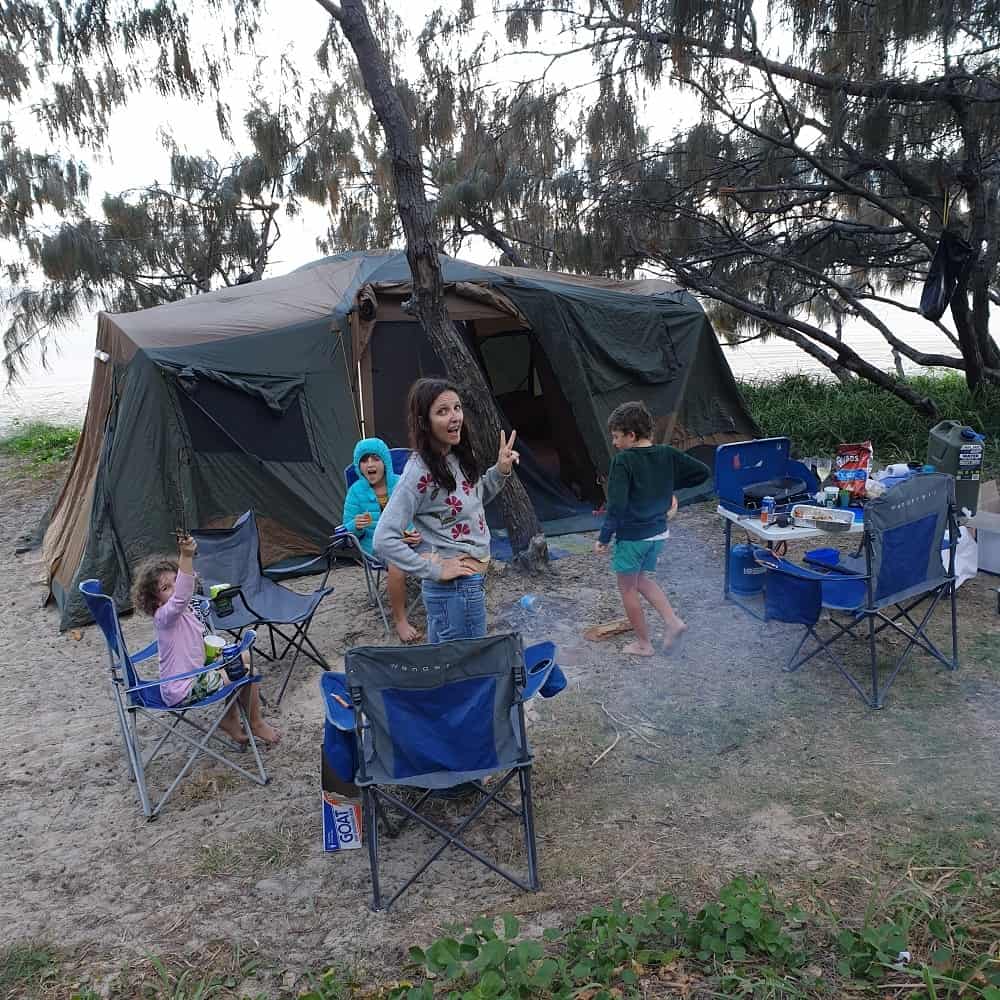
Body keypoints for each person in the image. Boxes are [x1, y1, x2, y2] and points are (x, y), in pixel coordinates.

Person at [373, 377, 520, 643]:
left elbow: (474, 500)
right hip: (454, 590)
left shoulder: (457, 455)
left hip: (469, 584)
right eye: (442, 411)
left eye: (457, 408)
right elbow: (383, 538)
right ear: (423, 422)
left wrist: (500, 471)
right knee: (466, 669)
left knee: (450, 668)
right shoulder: (418, 472)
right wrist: (434, 570)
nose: (455, 417)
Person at [131, 534, 280, 745]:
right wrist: (186, 555)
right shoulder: (165, 617)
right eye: (166, 589)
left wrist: (213, 653)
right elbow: (182, 595)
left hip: (197, 671)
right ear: (155, 602)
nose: (174, 590)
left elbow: (195, 638)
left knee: (243, 655)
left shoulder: (186, 611)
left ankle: (230, 719)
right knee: (246, 671)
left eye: (176, 581)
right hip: (183, 688)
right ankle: (256, 723)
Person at [594, 400, 710, 657]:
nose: (614, 443)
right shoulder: (666, 454)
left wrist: (604, 537)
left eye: (616, 436)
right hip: (658, 534)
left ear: (631, 435)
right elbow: (702, 472)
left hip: (633, 537)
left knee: (627, 588)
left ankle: (644, 644)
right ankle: (673, 622)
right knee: (642, 580)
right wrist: (666, 488)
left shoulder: (624, 461)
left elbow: (617, 505)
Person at [342, 437, 422, 642]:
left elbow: (418, 513)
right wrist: (355, 526)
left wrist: (415, 532)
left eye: (375, 459)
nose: (369, 464)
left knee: (440, 551)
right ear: (359, 466)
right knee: (396, 562)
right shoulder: (356, 491)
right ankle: (400, 620)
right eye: (364, 460)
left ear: (385, 462)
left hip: (408, 540)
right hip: (376, 545)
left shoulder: (401, 482)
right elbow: (346, 530)